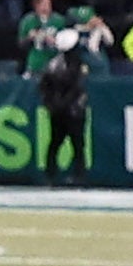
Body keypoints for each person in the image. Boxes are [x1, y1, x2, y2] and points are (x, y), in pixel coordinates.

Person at [37, 31, 91, 181]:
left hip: (69, 110)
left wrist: (55, 104)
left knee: (74, 145)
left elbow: (77, 87)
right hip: (66, 111)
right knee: (60, 143)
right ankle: (52, 175)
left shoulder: (57, 64)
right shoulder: (57, 64)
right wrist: (54, 104)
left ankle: (75, 176)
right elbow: (45, 86)